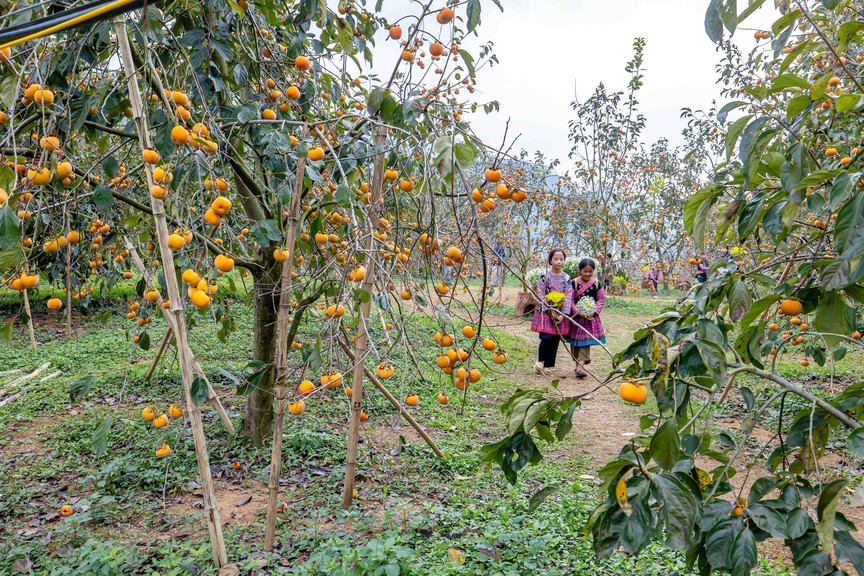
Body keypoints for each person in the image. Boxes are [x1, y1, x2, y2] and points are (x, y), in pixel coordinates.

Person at [530, 248, 572, 377]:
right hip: (545, 311)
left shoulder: (566, 278)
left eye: (561, 259)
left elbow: (568, 296)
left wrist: (561, 314)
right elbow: (541, 293)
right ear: (550, 260)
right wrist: (549, 310)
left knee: (555, 339)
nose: (559, 262)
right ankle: (540, 361)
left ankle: (548, 365)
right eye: (556, 259)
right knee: (546, 337)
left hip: (559, 313)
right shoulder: (545, 276)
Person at [566, 258, 606, 378]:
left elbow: (601, 299)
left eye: (590, 271)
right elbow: (569, 299)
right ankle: (578, 363)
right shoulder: (573, 283)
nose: (588, 274)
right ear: (580, 270)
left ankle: (580, 367)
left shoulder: (597, 284)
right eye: (585, 271)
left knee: (585, 343)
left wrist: (594, 312)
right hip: (576, 319)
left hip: (589, 320)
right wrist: (578, 312)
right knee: (575, 343)